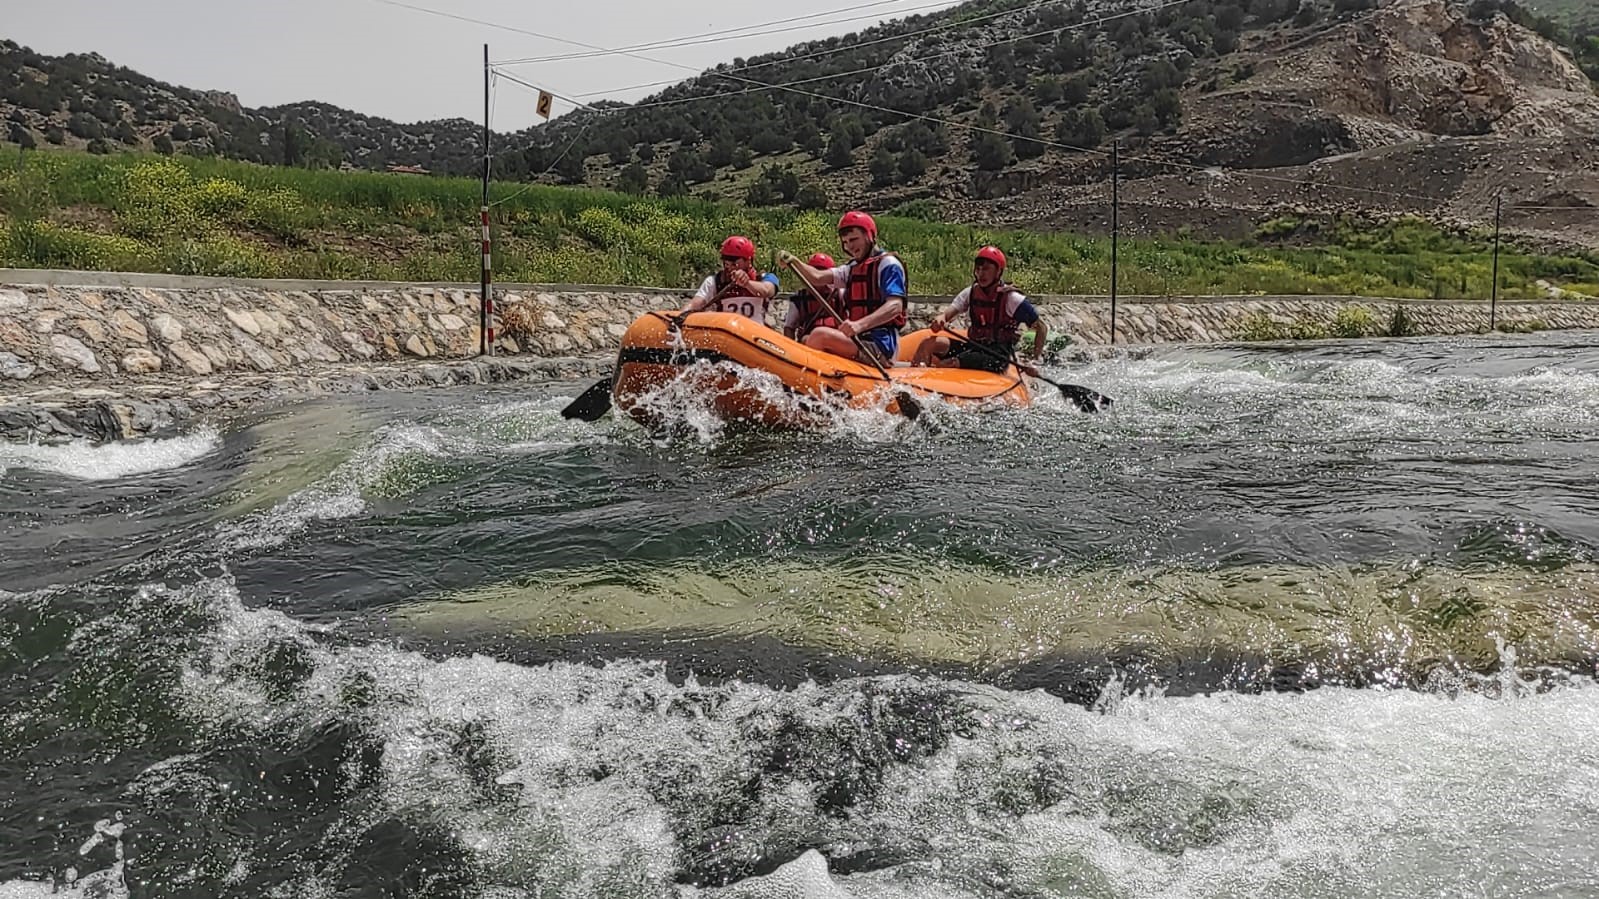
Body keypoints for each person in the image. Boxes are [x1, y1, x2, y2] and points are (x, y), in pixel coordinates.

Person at [778, 211, 907, 365]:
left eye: (854, 239)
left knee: (820, 335)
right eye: (845, 242)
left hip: (880, 346)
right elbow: (817, 277)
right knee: (808, 339)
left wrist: (860, 325)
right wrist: (795, 262)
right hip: (858, 341)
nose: (849, 246)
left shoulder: (888, 264)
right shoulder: (851, 268)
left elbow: (896, 305)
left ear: (869, 236)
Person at [911, 245, 1047, 373]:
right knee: (927, 343)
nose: (981, 274)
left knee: (949, 363)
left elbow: (1041, 328)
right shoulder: (970, 292)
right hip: (974, 346)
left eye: (986, 269)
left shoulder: (1012, 299)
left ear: (998, 271)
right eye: (978, 269)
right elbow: (947, 314)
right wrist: (940, 319)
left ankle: (932, 383)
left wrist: (1035, 360)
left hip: (997, 356)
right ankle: (915, 379)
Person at [680, 235, 780, 323]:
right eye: (726, 261)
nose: (729, 266)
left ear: (748, 261)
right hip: (727, 335)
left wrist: (747, 283)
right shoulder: (714, 281)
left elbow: (767, 291)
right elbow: (695, 304)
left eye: (734, 262)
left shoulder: (765, 278)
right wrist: (679, 316)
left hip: (755, 335)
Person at [781, 252, 838, 341]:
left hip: (835, 340)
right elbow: (789, 328)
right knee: (806, 339)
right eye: (815, 271)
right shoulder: (799, 298)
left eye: (823, 272)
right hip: (809, 343)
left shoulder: (839, 294)